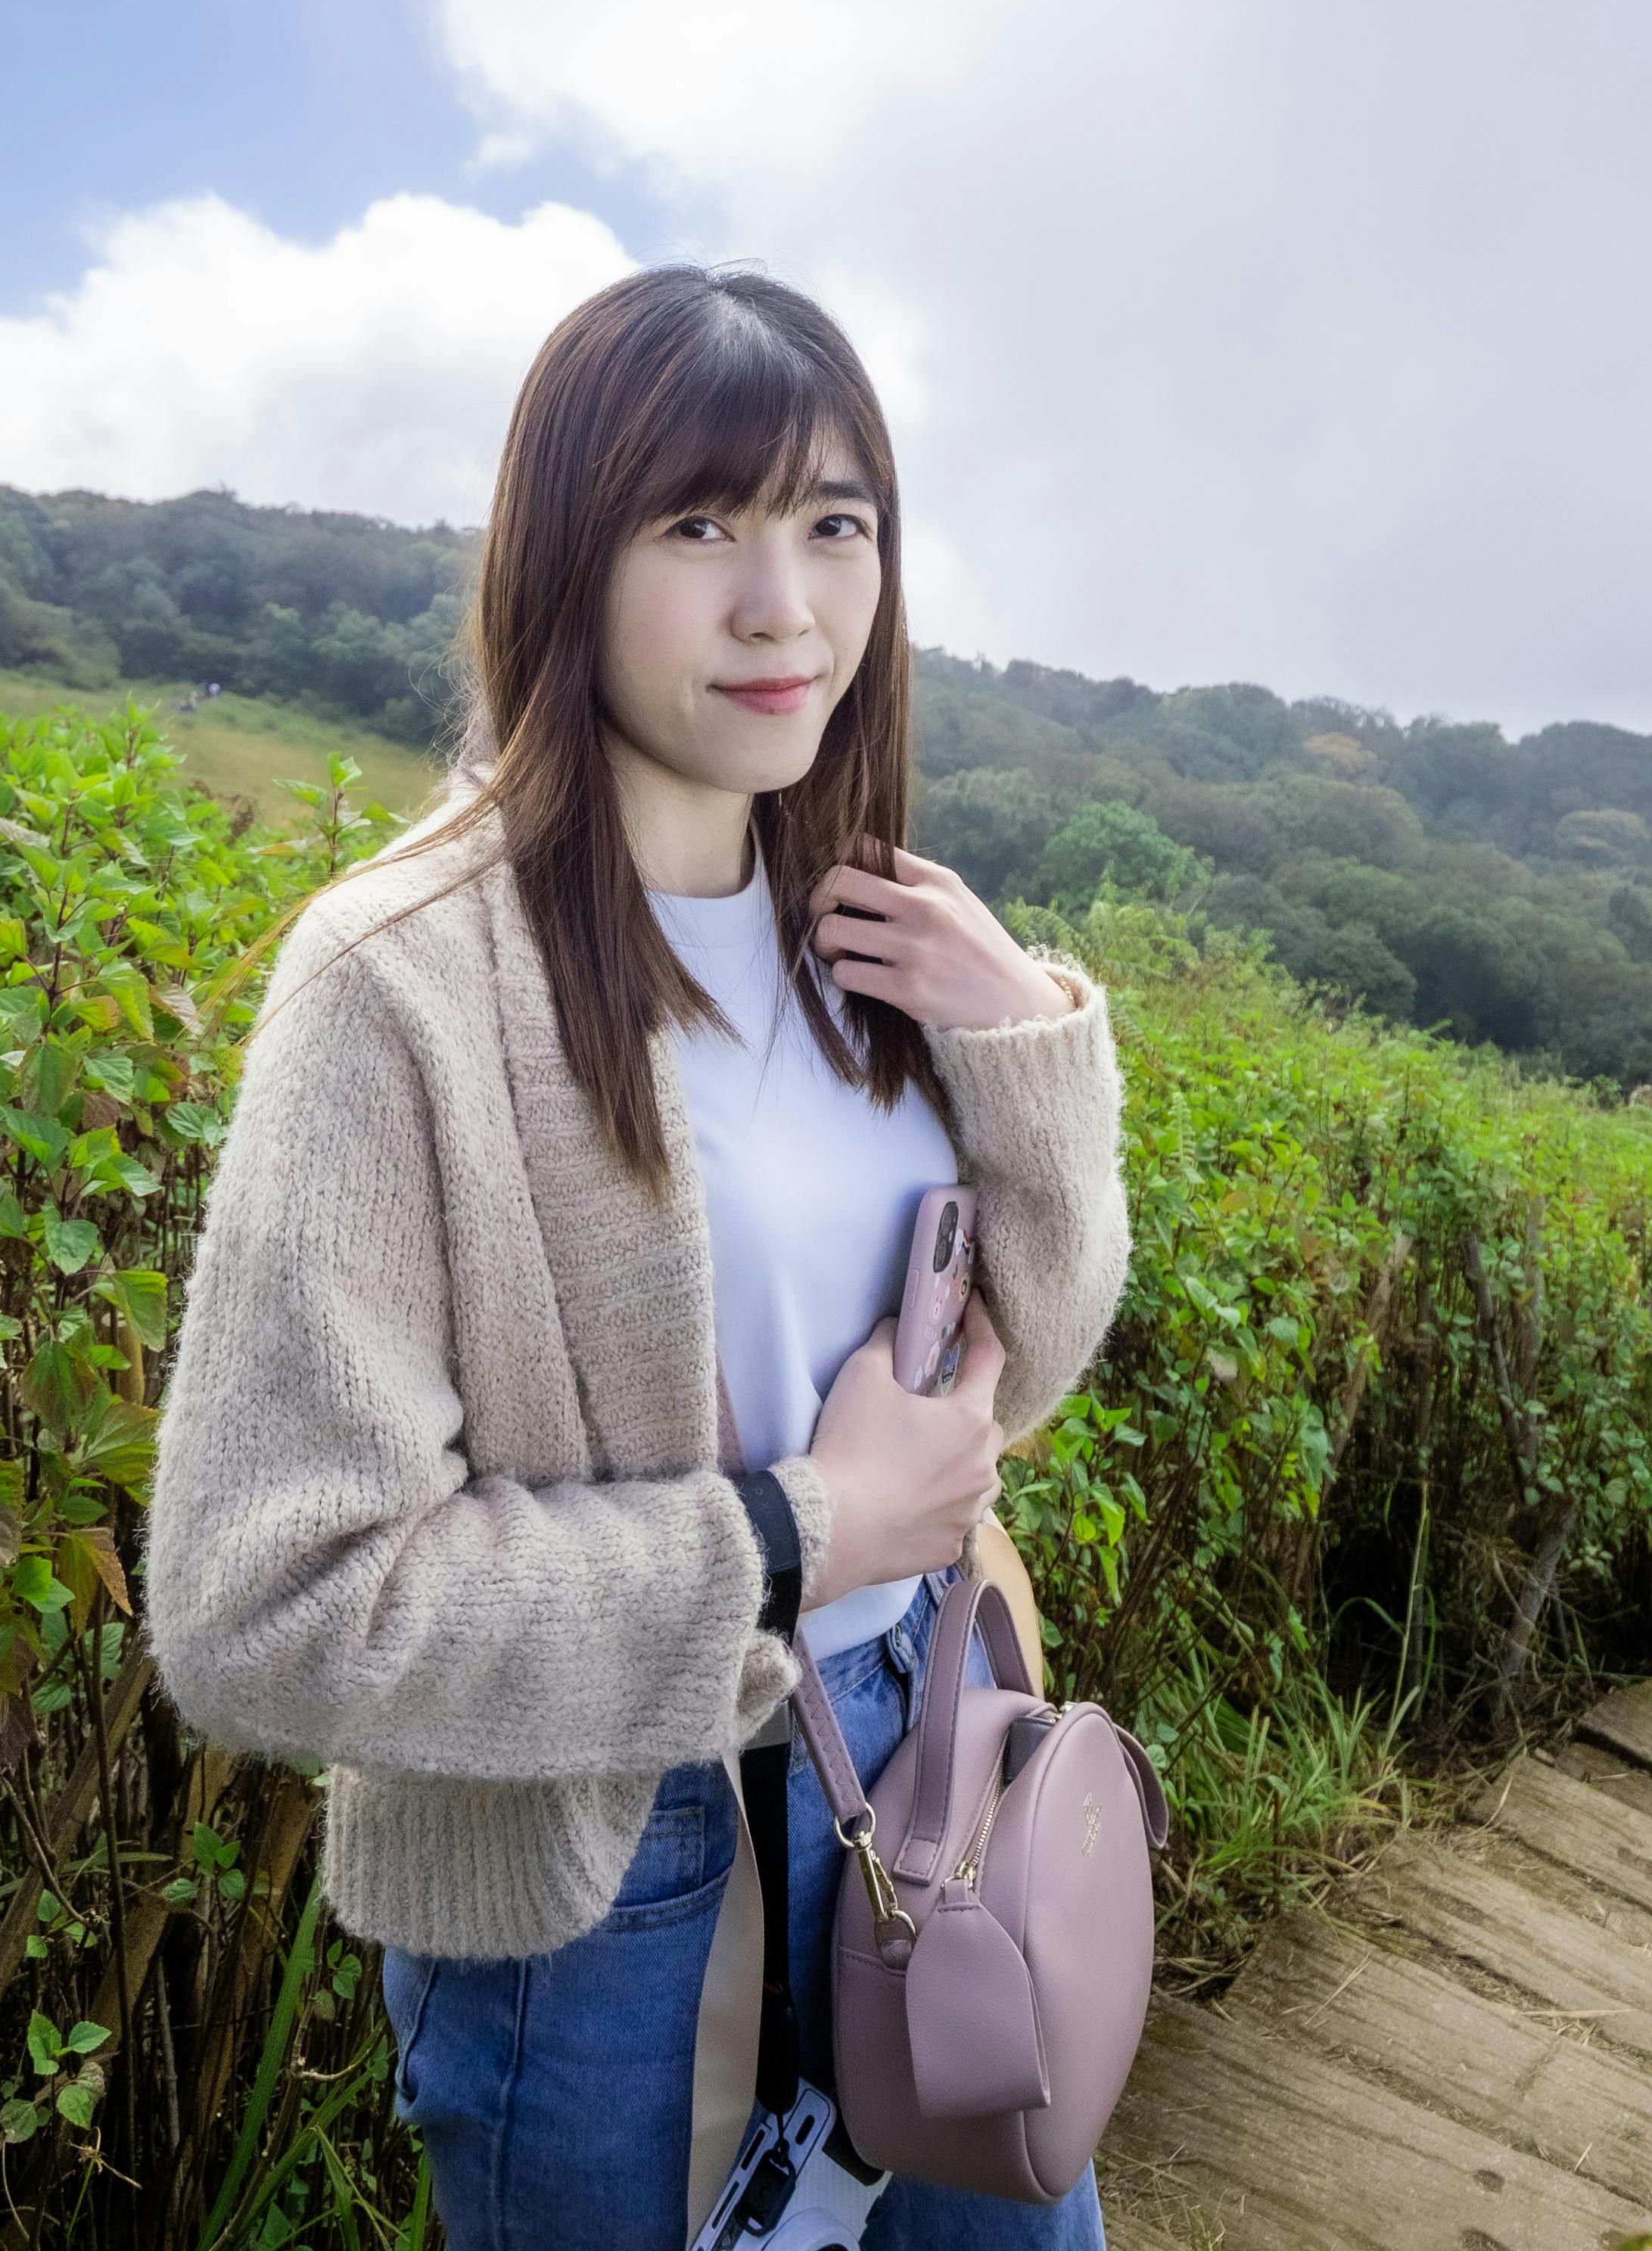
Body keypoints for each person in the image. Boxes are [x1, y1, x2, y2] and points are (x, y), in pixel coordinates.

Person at [151, 266, 1129, 2248]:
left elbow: (1021, 1367)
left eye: (835, 525)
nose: (788, 606)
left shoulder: (876, 934)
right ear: (565, 557)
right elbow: (262, 1613)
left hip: (919, 1777)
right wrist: (793, 1533)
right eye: (704, 525)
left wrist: (1024, 1043)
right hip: (592, 1869)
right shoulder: (399, 983)